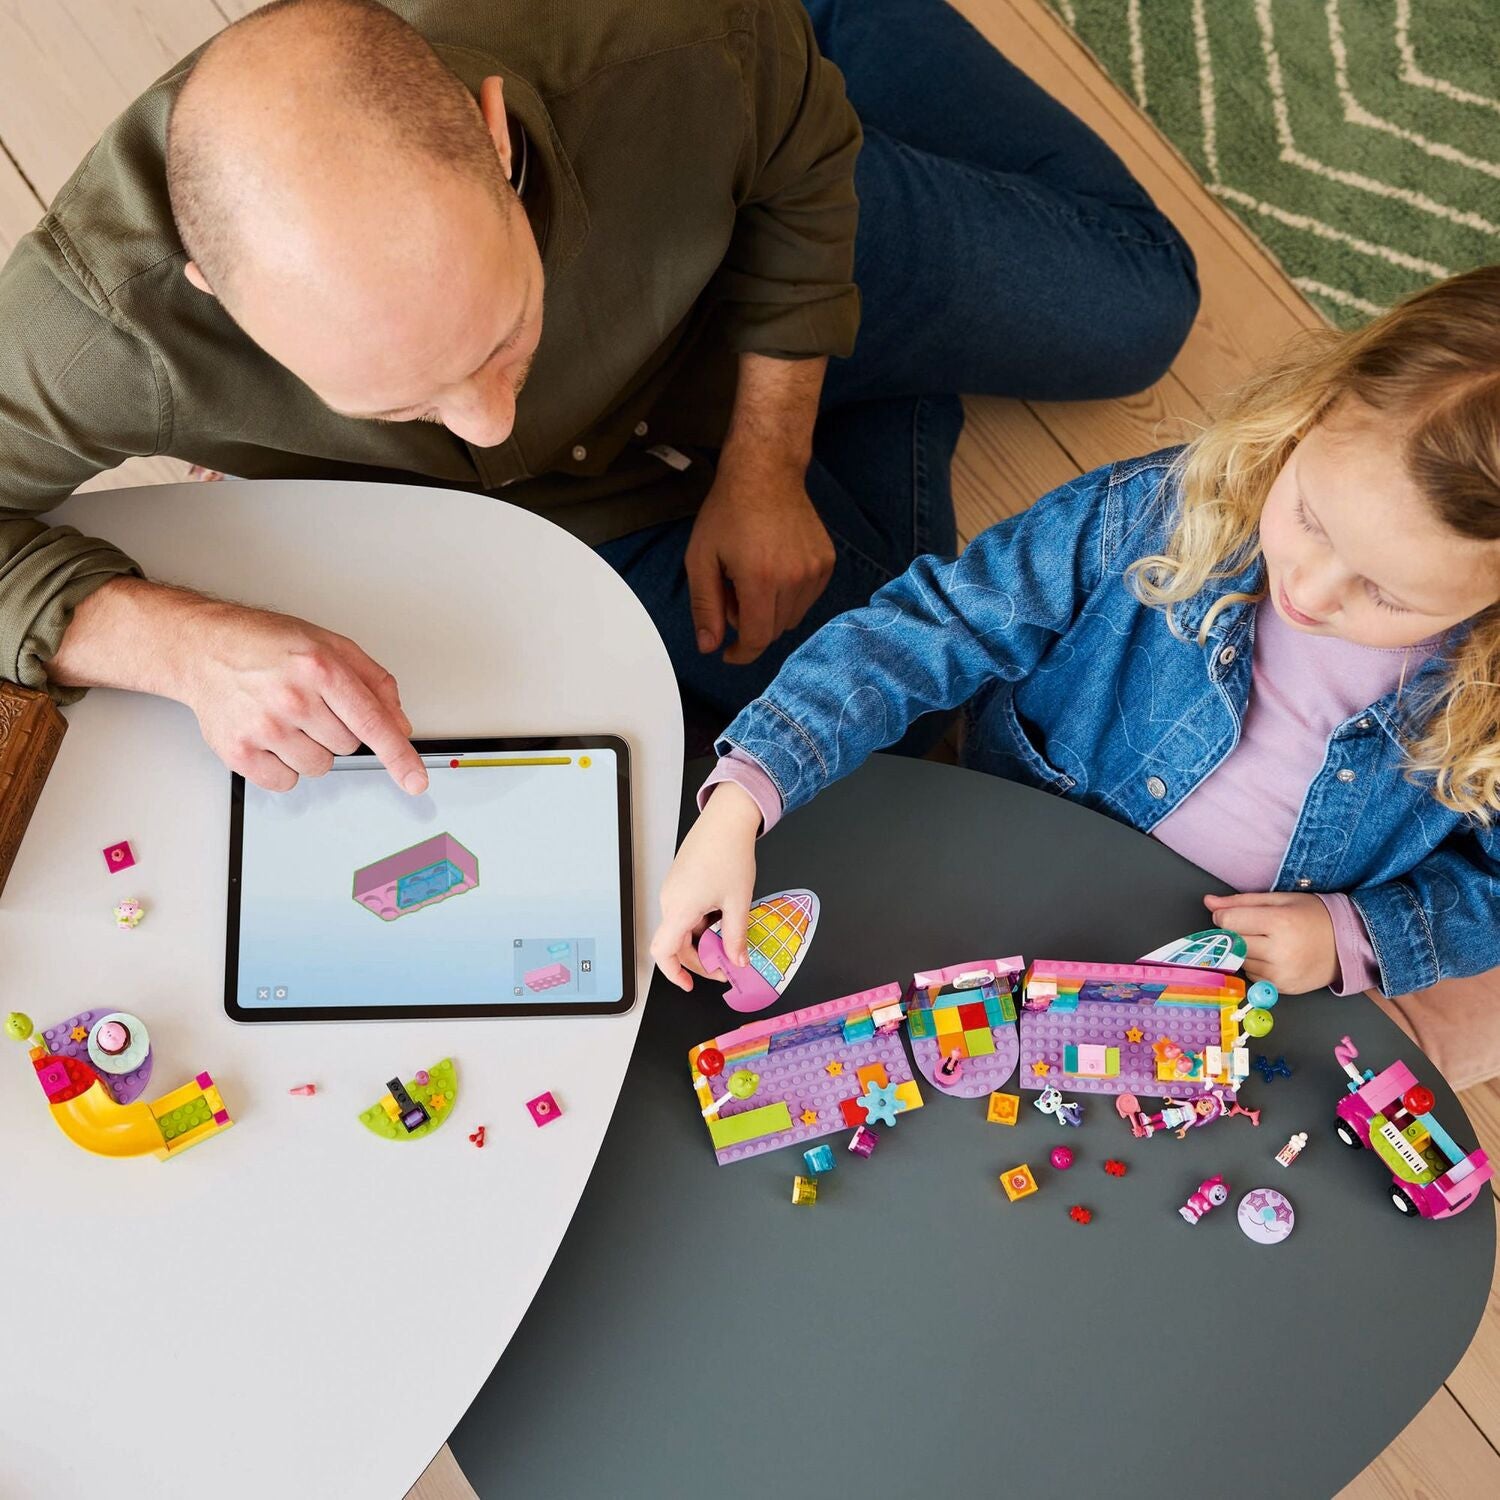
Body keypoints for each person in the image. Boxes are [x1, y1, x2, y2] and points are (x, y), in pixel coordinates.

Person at [0, 0, 1198, 795]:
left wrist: (767, 458)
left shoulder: (672, 40)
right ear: (213, 294)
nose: (485, 425)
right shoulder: (104, 323)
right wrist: (180, 644)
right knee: (866, 739)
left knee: (1141, 309)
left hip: (741, 223)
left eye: (499, 335)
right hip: (589, 495)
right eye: (402, 402)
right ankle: (871, 381)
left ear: (495, 139)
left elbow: (802, 162)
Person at [652, 267, 1500, 1026]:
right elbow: (931, 628)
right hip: (1005, 841)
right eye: (1310, 516)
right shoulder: (1154, 512)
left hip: (1221, 972)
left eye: (1386, 594)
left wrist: (1352, 935)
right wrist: (741, 800)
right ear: (1311, 414)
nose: (1310, 593)